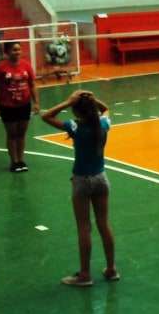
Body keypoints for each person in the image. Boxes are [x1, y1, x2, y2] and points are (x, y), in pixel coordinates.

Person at [41, 90, 118, 286]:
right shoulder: (102, 125)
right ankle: (111, 269)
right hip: (101, 178)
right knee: (104, 224)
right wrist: (94, 99)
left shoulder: (74, 126)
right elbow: (106, 109)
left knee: (84, 227)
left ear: (76, 111)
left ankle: (84, 275)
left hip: (81, 180)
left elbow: (46, 116)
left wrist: (67, 102)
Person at [0, 40, 39, 172]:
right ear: (6, 52)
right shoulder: (1, 67)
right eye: (14, 50)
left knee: (22, 134)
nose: (17, 52)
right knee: (12, 134)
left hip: (24, 105)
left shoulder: (26, 66)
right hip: (7, 106)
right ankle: (14, 161)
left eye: (19, 49)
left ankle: (21, 160)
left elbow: (33, 85)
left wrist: (36, 102)